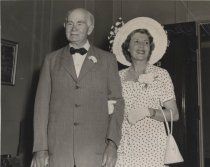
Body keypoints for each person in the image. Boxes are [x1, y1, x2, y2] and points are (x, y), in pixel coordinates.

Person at [30, 8, 124, 167]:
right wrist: (40, 149)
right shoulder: (51, 60)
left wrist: (112, 145)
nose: (74, 28)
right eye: (70, 23)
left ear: (91, 28)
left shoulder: (108, 60)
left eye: (80, 23)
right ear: (64, 26)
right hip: (57, 152)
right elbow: (41, 107)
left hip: (95, 152)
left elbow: (117, 104)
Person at [111, 17, 179, 167]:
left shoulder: (161, 74)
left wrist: (150, 111)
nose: (142, 46)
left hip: (153, 147)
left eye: (146, 42)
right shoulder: (118, 77)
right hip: (124, 146)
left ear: (150, 48)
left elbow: (174, 114)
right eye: (136, 41)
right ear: (127, 46)